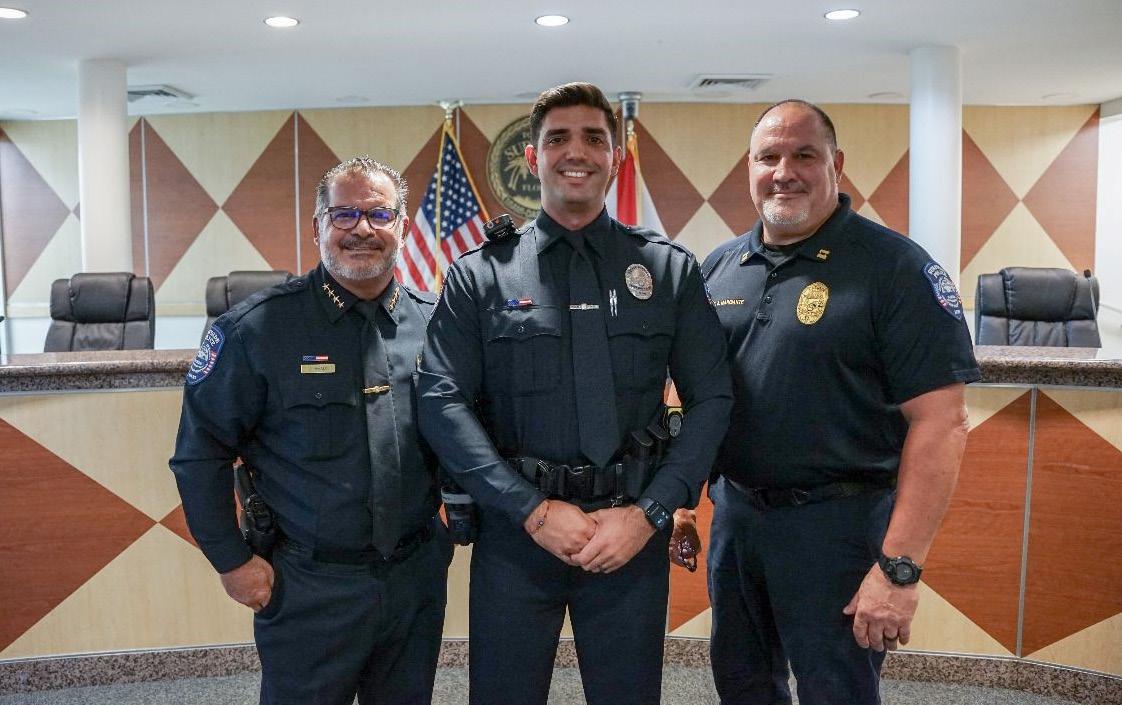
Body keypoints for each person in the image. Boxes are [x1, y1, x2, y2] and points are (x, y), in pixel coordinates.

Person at [417, 82, 732, 705]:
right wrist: (532, 511)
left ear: (615, 156)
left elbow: (713, 399)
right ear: (532, 158)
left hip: (629, 531)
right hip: (517, 534)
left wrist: (651, 514)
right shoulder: (481, 274)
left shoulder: (667, 269)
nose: (576, 151)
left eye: (593, 138)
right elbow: (441, 401)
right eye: (557, 138)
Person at [695, 99, 980, 704]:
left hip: (840, 529)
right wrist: (681, 502)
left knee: (836, 694)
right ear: (749, 168)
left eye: (804, 155)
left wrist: (899, 569)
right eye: (768, 157)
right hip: (737, 523)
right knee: (742, 686)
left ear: (836, 164)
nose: (784, 172)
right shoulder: (720, 267)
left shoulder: (894, 267)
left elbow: (943, 423)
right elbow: (696, 397)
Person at [169, 156, 450, 705]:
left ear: (402, 227)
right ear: (318, 227)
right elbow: (199, 456)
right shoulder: (255, 330)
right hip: (307, 585)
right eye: (343, 214)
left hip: (414, 578)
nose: (362, 229)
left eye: (379, 214)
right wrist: (232, 562)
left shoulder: (437, 324)